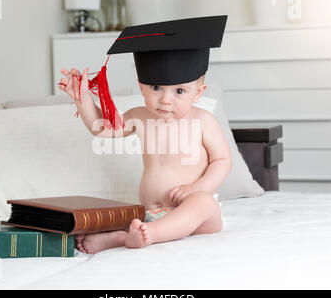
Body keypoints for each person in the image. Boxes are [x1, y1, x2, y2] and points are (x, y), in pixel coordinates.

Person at [58, 16, 232, 254]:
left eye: (180, 91)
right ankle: (125, 236)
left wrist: (198, 188)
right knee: (133, 218)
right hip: (151, 212)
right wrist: (84, 99)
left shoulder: (202, 121)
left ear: (198, 93)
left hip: (198, 215)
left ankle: (154, 234)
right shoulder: (139, 116)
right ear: (141, 86)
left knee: (204, 202)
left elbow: (222, 161)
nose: (166, 99)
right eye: (156, 88)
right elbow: (103, 128)